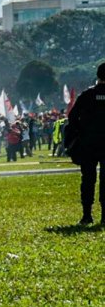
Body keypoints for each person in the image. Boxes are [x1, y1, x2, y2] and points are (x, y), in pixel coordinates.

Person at [65, 63, 105, 225]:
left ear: (98, 76)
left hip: (88, 144)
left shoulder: (87, 95)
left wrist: (81, 132)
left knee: (88, 179)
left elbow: (72, 118)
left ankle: (87, 214)